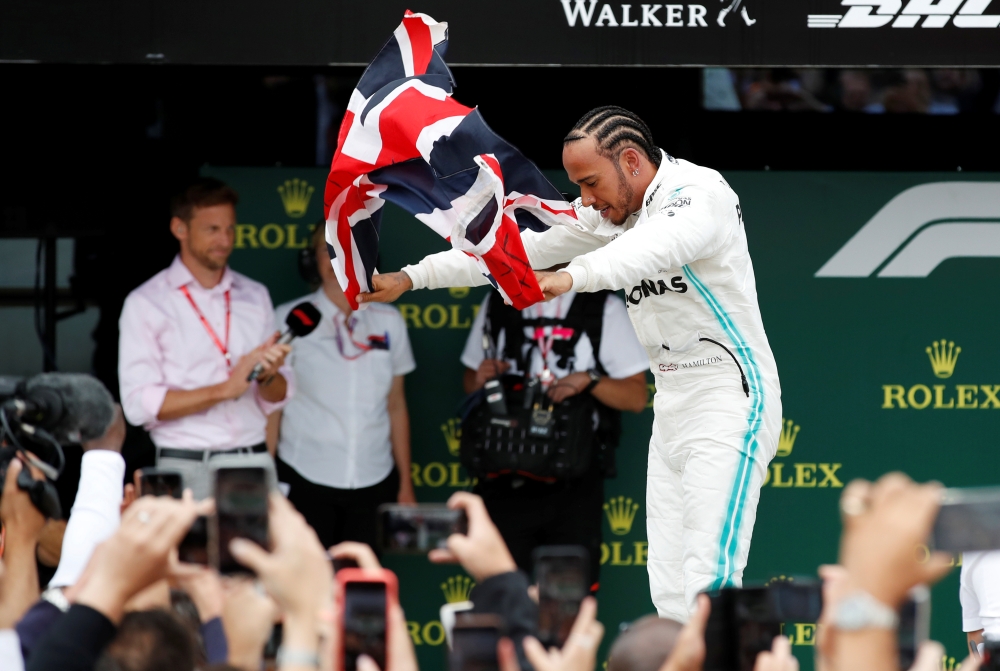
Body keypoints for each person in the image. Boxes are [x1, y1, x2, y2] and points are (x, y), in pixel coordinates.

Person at [357, 105, 783, 622]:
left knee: (708, 580)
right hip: (672, 402)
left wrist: (570, 277)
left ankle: (719, 653)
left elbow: (650, 249)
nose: (585, 199)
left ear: (631, 161)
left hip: (729, 396)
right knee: (670, 589)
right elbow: (516, 250)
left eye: (590, 183)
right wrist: (412, 277)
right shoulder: (612, 213)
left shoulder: (699, 194)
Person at [118, 179, 293, 499]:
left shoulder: (255, 295)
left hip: (251, 459)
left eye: (230, 229)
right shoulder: (146, 303)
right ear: (179, 228)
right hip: (182, 463)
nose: (224, 240)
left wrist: (268, 376)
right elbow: (137, 405)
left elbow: (281, 393)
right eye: (212, 229)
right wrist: (225, 389)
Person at [459, 287, 648, 584]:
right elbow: (470, 383)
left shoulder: (601, 306)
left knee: (568, 597)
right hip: (505, 475)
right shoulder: (500, 299)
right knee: (501, 592)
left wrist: (589, 380)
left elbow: (636, 397)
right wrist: (481, 376)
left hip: (572, 481)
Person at [267, 224, 416, 550]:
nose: (338, 260)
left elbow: (396, 405)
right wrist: (267, 483)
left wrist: (405, 484)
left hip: (374, 478)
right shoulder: (288, 319)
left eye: (350, 250)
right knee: (308, 579)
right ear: (311, 260)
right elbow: (272, 407)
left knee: (363, 578)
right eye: (328, 250)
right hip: (304, 476)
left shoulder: (390, 321)